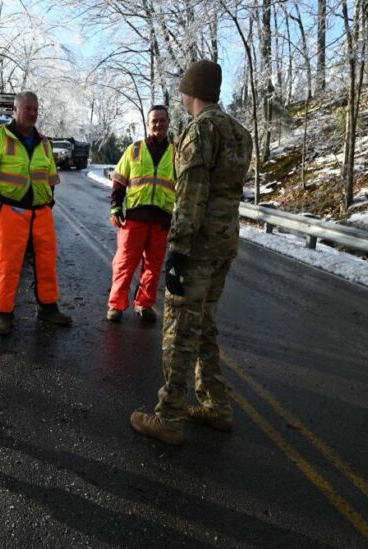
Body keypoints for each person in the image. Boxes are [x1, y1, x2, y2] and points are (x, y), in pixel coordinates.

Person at [130, 60, 253, 445]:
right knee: (204, 326)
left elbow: (191, 195)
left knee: (180, 329)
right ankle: (217, 406)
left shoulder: (201, 130)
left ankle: (169, 416)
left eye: (184, 89)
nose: (181, 96)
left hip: (197, 246)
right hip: (224, 242)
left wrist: (178, 251)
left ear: (192, 90)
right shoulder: (239, 131)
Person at [0, 91, 72, 335]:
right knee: (7, 264)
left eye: (35, 109)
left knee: (46, 262)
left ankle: (48, 308)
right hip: (10, 210)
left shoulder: (44, 142)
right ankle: (3, 315)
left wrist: (49, 202)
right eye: (27, 108)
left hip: (41, 212)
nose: (32, 113)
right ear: (15, 110)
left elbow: (50, 178)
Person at [106, 105, 176, 324]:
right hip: (135, 218)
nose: (158, 124)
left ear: (168, 123)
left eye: (162, 120)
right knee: (125, 262)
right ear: (148, 124)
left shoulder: (177, 154)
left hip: (161, 220)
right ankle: (116, 305)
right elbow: (119, 180)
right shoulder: (134, 149)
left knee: (153, 266)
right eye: (154, 121)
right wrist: (116, 207)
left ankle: (144, 304)